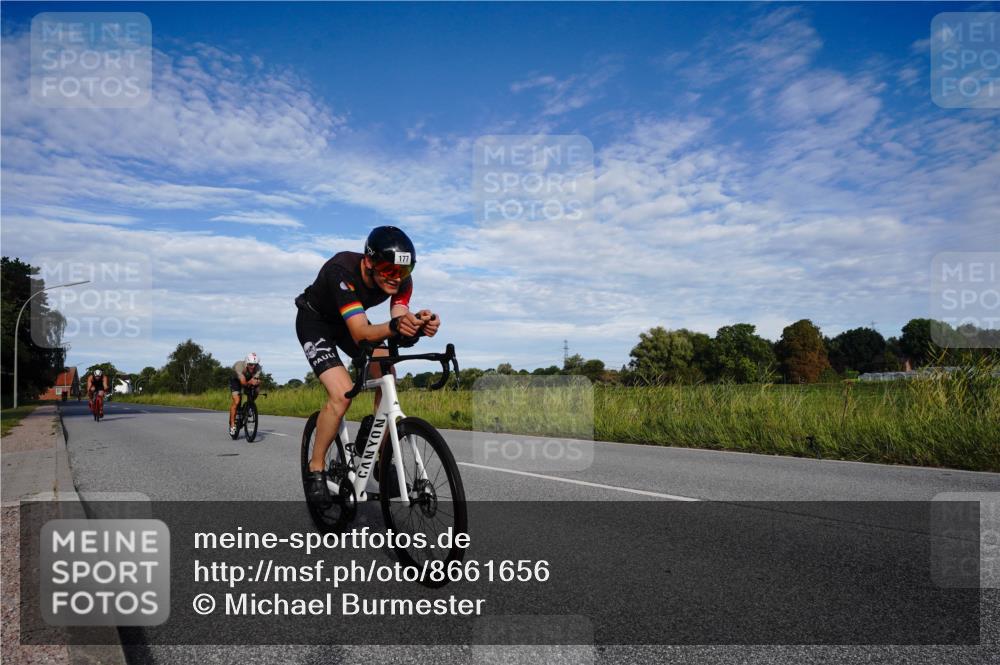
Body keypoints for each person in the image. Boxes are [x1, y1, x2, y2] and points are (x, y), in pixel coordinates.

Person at [295, 226, 439, 502]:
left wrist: (417, 326)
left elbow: (399, 316)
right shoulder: (342, 270)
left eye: (403, 272)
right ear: (369, 261)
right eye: (389, 270)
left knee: (387, 370)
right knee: (342, 393)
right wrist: (396, 326)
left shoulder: (401, 280)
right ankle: (315, 469)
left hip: (351, 321)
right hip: (316, 323)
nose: (396, 279)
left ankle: (379, 455)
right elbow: (361, 333)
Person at [229, 352, 262, 436]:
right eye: (251, 364)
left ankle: (249, 407)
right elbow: (243, 383)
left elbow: (256, 380)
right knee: (237, 401)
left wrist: (256, 382)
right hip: (236, 380)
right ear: (247, 363)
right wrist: (250, 382)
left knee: (257, 388)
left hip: (247, 379)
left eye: (255, 364)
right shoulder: (239, 366)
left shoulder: (258, 368)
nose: (253, 367)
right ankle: (232, 425)